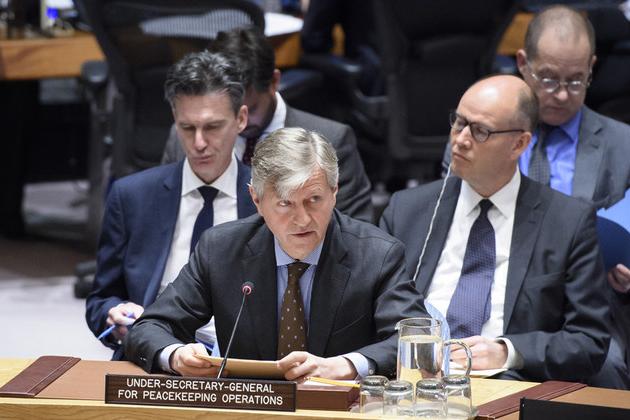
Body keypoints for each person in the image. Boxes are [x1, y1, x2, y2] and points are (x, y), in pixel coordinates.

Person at [125, 127, 426, 380]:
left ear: (334, 192)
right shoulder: (221, 249)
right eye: (285, 203)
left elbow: (417, 340)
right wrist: (175, 355)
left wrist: (348, 365)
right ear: (256, 200)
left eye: (314, 199)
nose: (302, 219)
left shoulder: (377, 255)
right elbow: (150, 327)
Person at [381, 75, 610, 383]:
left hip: (508, 383)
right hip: (414, 380)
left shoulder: (568, 222)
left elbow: (589, 341)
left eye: (480, 131)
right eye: (459, 122)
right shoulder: (407, 210)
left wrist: (508, 352)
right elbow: (373, 316)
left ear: (519, 144)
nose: (461, 139)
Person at [85, 52, 257, 359]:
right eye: (187, 128)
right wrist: (115, 313)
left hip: (241, 364)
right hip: (153, 359)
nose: (199, 143)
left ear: (241, 119)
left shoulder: (269, 200)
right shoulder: (131, 196)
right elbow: (101, 300)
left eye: (213, 127)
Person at [161, 27, 373, 222]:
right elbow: (162, 220)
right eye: (231, 112)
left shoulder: (333, 141)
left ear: (274, 82)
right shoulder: (185, 139)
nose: (241, 122)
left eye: (251, 110)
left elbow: (355, 237)